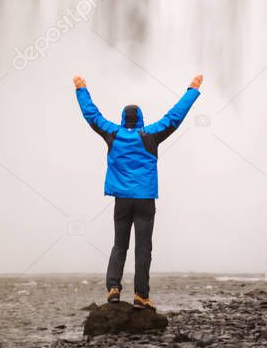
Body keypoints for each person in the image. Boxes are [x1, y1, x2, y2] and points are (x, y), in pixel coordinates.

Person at [73, 73, 203, 310]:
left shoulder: (112, 133)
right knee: (143, 247)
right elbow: (175, 115)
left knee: (119, 245)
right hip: (145, 200)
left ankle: (113, 288)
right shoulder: (151, 135)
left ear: (123, 119)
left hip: (122, 200)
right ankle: (141, 295)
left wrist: (81, 89)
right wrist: (192, 89)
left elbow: (92, 115)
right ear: (141, 119)